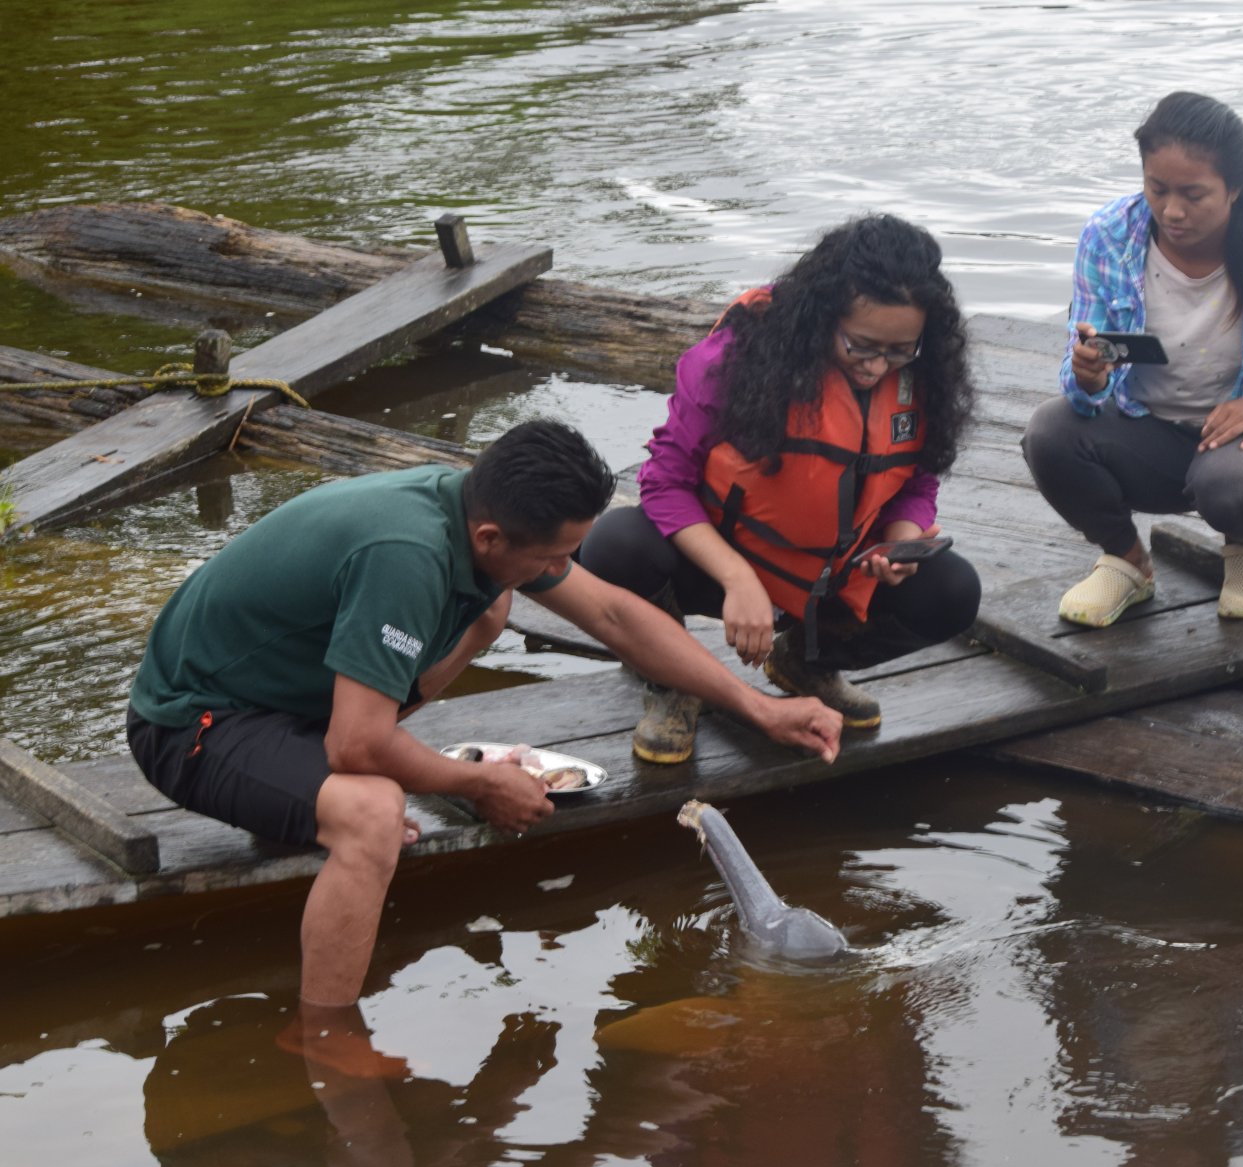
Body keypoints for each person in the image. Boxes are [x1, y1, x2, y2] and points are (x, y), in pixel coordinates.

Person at [125, 418, 841, 1073]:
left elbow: (618, 617)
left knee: (486, 618)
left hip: (287, 707)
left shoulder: (475, 519)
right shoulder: (405, 554)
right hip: (192, 723)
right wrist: (476, 784)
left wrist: (759, 709)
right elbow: (357, 743)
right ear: (492, 537)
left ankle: (310, 819)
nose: (557, 570)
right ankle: (321, 1037)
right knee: (371, 810)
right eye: (552, 556)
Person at [579, 213, 981, 764]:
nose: (877, 366)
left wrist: (901, 541)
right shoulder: (735, 360)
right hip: (721, 565)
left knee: (952, 591)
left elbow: (917, 478)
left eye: (897, 351)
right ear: (824, 315)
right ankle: (672, 681)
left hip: (830, 576)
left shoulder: (924, 372)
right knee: (613, 544)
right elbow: (664, 483)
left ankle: (805, 663)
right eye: (861, 346)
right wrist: (736, 577)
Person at [1023, 90, 1243, 628]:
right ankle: (1126, 561)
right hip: (1147, 429)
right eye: (1156, 189)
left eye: (1193, 194)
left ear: (1234, 189)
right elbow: (1081, 379)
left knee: (1229, 484)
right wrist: (1088, 377)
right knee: (1048, 432)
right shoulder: (1108, 235)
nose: (1172, 210)